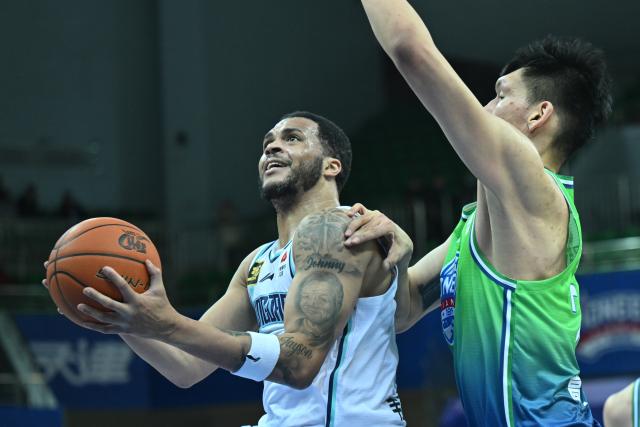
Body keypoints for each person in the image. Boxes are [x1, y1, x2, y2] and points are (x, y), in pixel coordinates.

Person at [43, 111, 407, 426]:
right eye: (268, 141)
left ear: (332, 165)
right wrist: (119, 314)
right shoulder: (258, 261)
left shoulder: (342, 230)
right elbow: (185, 366)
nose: (272, 147)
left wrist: (167, 322)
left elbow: (299, 363)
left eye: (292, 138)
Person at [344, 1, 613, 425]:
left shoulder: (534, 185)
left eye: (501, 95)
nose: (485, 108)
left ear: (540, 115)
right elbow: (405, 310)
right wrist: (394, 254)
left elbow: (408, 48)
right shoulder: (470, 229)